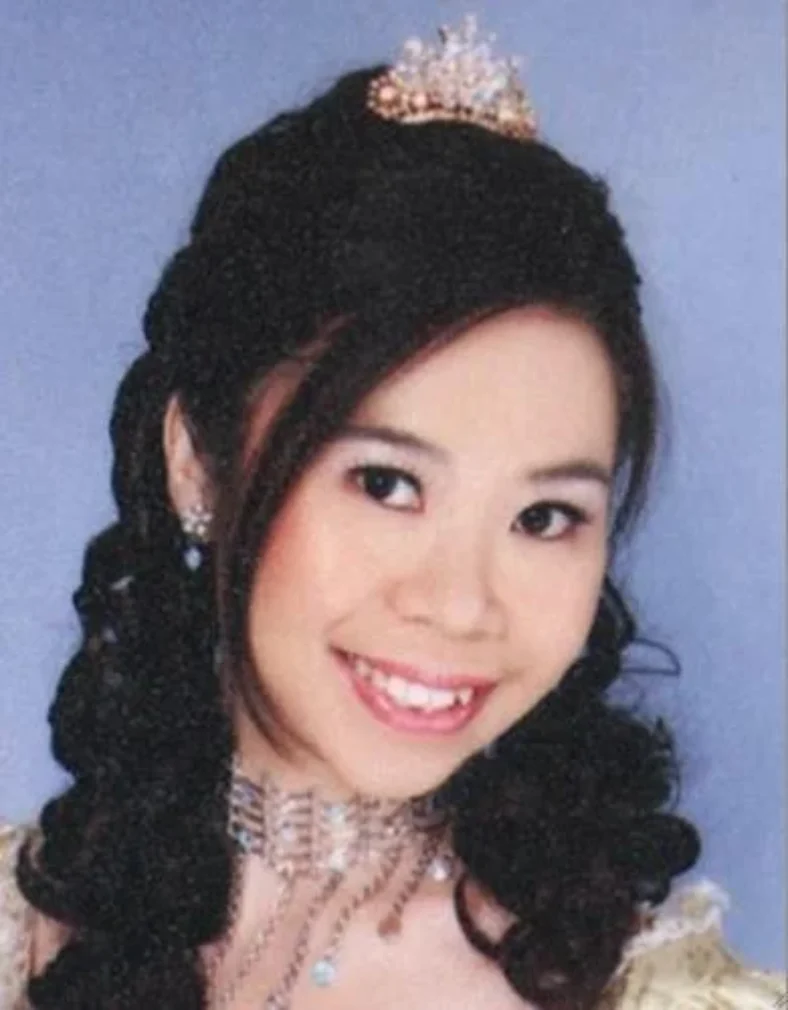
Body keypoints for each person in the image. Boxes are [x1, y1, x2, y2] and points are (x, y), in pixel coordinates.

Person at [0, 14, 784, 1010]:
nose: (460, 604)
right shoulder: (18, 930)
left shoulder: (663, 992)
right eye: (386, 484)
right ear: (197, 464)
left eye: (544, 516)